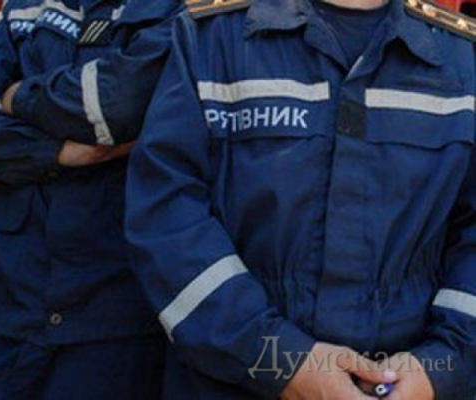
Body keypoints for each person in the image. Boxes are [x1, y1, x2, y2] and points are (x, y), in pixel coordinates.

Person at [125, 0, 476, 398]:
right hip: (233, 381)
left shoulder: (462, 58)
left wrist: (440, 368)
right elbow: (166, 218)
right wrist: (281, 360)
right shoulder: (212, 38)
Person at [0, 0, 183, 398]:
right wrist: (54, 152)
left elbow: (116, 105)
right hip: (2, 307)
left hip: (111, 318)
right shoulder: (28, 7)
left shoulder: (177, 9)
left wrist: (14, 96)